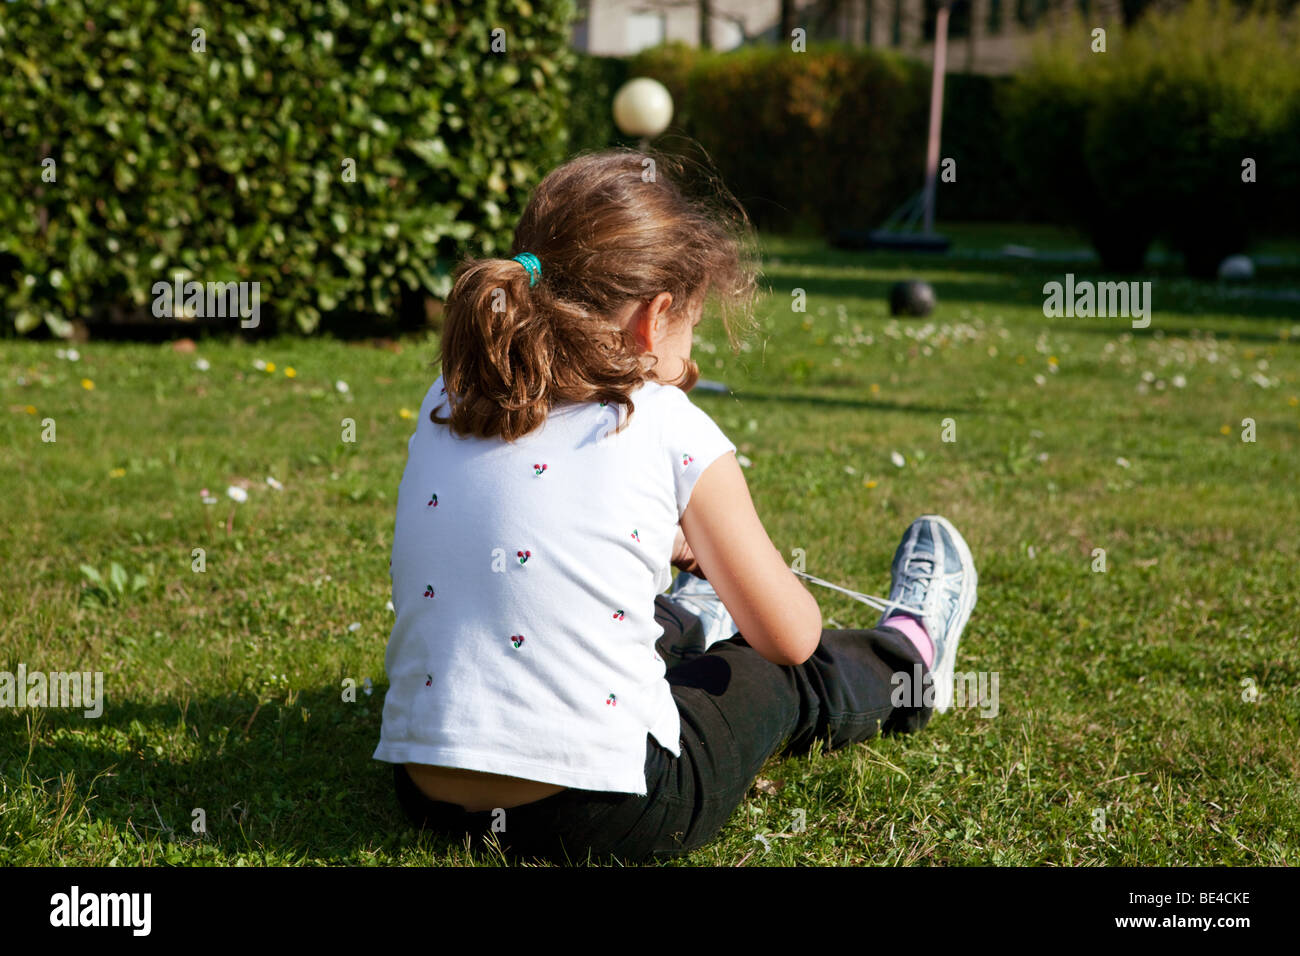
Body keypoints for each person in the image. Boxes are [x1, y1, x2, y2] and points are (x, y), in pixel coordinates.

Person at [374, 148, 978, 863]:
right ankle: (908, 656)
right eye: (691, 328)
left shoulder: (452, 393)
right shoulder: (666, 420)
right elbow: (791, 637)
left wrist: (659, 540)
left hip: (426, 797)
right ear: (654, 316)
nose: (693, 358)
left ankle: (689, 614)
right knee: (773, 675)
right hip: (604, 814)